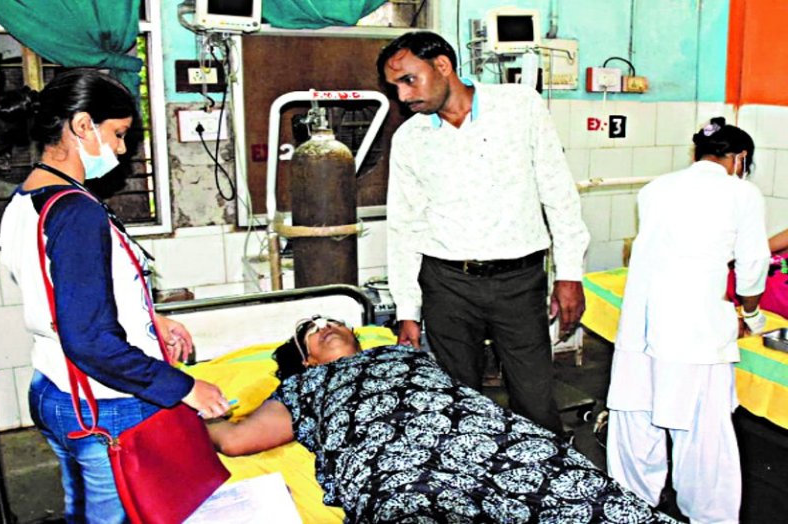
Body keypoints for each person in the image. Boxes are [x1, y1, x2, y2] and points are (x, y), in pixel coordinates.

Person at [0, 69, 231, 523]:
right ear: (83, 125)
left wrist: (149, 320)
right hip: (102, 403)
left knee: (82, 512)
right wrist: (185, 388)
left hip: (52, 387)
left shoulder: (27, 200)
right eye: (118, 134)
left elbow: (56, 294)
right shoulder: (76, 211)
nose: (122, 150)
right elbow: (88, 340)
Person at [209, 315, 678, 523]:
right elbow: (233, 438)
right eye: (310, 331)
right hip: (395, 460)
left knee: (575, 486)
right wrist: (183, 399)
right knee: (417, 507)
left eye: (331, 320)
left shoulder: (404, 354)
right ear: (307, 359)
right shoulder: (305, 385)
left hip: (482, 435)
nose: (325, 326)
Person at [375, 31, 590, 436]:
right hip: (447, 285)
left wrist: (570, 273)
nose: (403, 96)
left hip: (519, 281)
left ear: (442, 65)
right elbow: (405, 227)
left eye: (409, 80)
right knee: (458, 402)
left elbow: (558, 192)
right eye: (395, 87)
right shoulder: (411, 139)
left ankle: (545, 469)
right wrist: (408, 310)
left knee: (534, 398)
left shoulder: (519, 106)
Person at [606, 117, 770, 523]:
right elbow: (752, 267)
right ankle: (710, 517)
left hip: (640, 324)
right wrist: (751, 313)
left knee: (636, 416)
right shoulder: (742, 193)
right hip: (695, 329)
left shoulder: (656, 188)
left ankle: (630, 508)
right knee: (702, 433)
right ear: (740, 158)